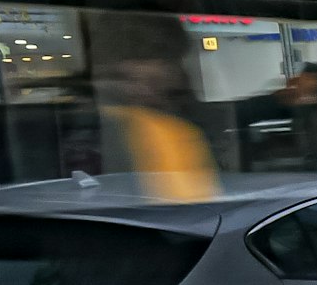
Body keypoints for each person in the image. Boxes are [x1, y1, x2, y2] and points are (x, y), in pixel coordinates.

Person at [86, 12, 220, 200]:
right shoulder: (164, 131)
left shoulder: (82, 124)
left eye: (152, 82)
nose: (141, 91)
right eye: (127, 79)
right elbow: (191, 213)